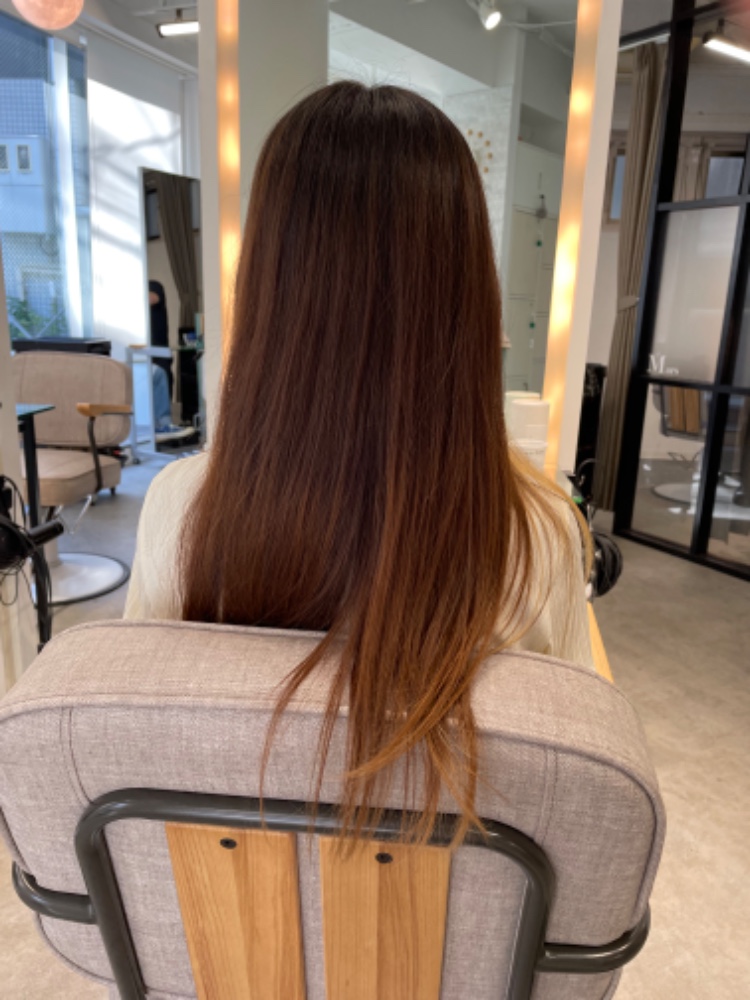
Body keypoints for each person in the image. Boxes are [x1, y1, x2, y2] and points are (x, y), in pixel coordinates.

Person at [125, 82, 593, 842]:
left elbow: (137, 738)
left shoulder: (180, 505)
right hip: (447, 916)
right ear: (470, 298)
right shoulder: (538, 536)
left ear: (269, 288)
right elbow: (574, 788)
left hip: (222, 908)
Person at [148, 280, 193, 442]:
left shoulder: (153, 285)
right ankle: (157, 425)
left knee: (161, 378)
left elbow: (152, 298)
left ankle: (163, 425)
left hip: (159, 352)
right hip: (143, 352)